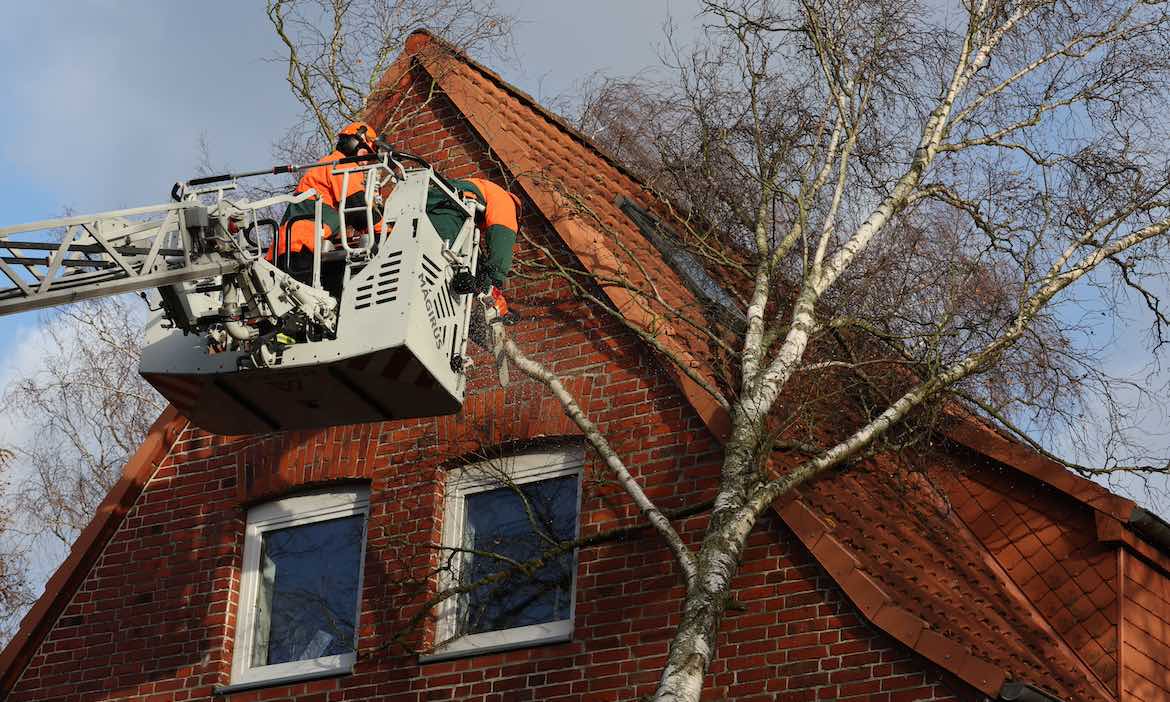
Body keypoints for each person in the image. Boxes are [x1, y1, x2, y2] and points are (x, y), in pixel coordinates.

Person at [268, 121, 382, 275]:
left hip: (284, 247)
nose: (366, 160)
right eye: (365, 151)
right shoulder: (343, 165)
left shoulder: (325, 164)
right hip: (302, 246)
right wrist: (386, 227)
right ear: (352, 143)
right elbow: (358, 210)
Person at [425, 175, 520, 310]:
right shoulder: (506, 201)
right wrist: (493, 284)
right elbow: (502, 242)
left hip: (427, 212)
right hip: (449, 214)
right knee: (437, 274)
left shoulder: (479, 190)